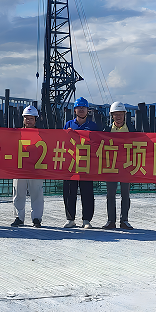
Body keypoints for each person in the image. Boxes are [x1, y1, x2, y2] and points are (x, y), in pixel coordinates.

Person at [62, 97, 99, 229]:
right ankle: (70, 219)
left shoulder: (93, 126)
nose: (81, 110)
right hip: (71, 164)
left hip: (87, 164)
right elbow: (61, 142)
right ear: (75, 110)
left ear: (88, 110)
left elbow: (98, 144)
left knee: (87, 192)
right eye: (79, 107)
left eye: (84, 107)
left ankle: (86, 219)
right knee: (69, 192)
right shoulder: (68, 125)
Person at [102, 101, 135, 230]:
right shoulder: (106, 130)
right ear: (112, 115)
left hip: (126, 166)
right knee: (110, 194)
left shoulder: (132, 130)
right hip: (111, 166)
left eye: (120, 114)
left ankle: (124, 220)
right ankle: (111, 221)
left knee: (125, 194)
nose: (118, 117)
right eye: (116, 114)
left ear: (125, 114)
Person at [11, 105, 44, 228]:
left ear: (36, 120)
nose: (28, 121)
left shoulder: (42, 134)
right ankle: (19, 217)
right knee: (18, 193)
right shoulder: (17, 133)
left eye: (31, 118)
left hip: (36, 169)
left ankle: (36, 218)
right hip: (20, 168)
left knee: (37, 194)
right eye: (26, 118)